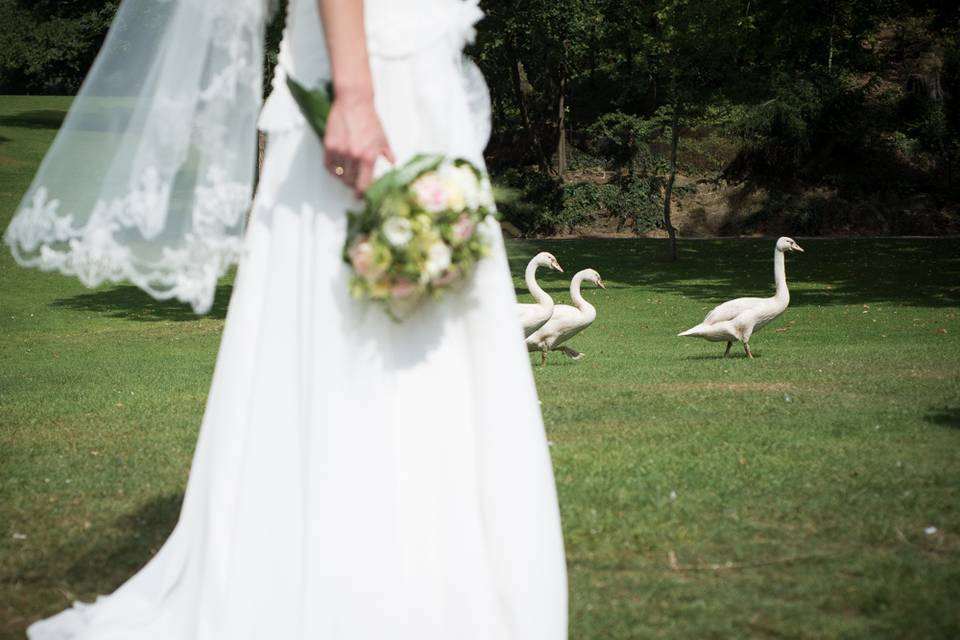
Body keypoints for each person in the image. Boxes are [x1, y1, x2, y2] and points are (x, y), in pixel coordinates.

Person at [8, 0, 568, 638]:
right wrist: (353, 92)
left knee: (432, 330)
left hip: (415, 69)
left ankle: (432, 559)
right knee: (347, 327)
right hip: (365, 77)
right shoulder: (356, 88)